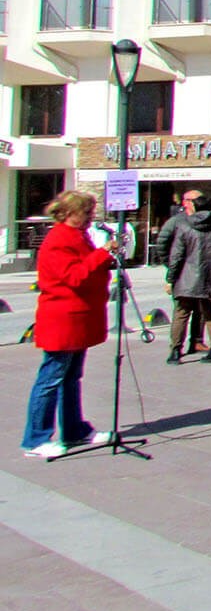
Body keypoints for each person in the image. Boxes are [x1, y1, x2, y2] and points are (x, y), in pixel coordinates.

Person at [21, 192, 119, 458]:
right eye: (86, 213)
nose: (90, 218)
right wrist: (101, 255)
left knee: (71, 378)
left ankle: (74, 430)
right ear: (70, 213)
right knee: (50, 380)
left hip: (79, 318)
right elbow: (73, 276)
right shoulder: (58, 239)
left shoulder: (78, 236)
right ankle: (36, 439)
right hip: (63, 318)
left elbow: (87, 267)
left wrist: (106, 260)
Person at [165, 194, 211, 363]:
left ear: (195, 207)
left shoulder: (185, 226)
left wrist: (170, 279)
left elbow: (177, 255)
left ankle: (175, 351)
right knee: (209, 313)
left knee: (181, 313)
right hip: (210, 278)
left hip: (186, 277)